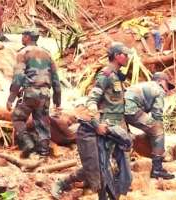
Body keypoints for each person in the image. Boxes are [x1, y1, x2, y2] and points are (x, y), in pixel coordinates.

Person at [51, 42, 132, 199]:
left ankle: (95, 187)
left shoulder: (116, 76)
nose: (128, 57)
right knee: (98, 167)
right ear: (117, 56)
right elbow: (92, 100)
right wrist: (96, 123)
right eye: (125, 54)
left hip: (115, 129)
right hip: (103, 128)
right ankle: (64, 182)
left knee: (114, 167)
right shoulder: (106, 75)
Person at [6, 30, 61, 157]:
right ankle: (44, 152)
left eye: (23, 36)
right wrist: (57, 100)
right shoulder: (47, 54)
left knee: (17, 118)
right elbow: (55, 79)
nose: (22, 38)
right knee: (42, 122)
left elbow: (18, 77)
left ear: (27, 37)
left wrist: (11, 98)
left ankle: (27, 143)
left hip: (30, 93)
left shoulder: (23, 53)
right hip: (45, 94)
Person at [124, 72, 175, 180]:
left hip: (119, 110)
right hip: (131, 109)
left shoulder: (144, 85)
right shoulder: (158, 89)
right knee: (158, 131)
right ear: (160, 81)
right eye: (167, 86)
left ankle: (121, 170)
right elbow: (157, 114)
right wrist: (158, 129)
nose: (167, 90)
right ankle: (157, 169)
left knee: (127, 137)